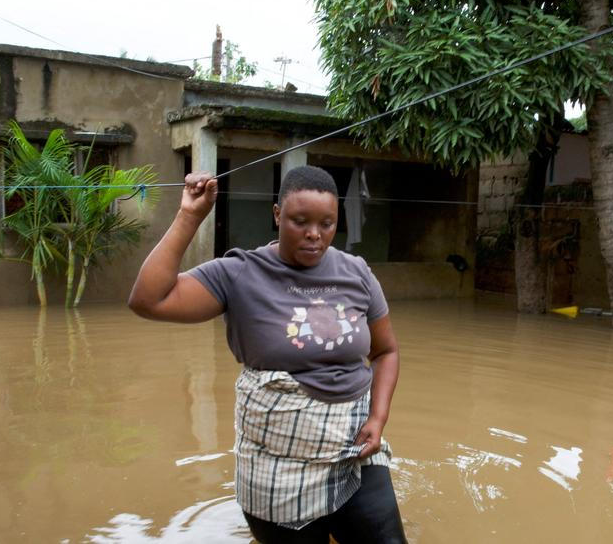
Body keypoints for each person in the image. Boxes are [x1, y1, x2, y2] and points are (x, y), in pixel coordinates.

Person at [128, 166, 406, 543]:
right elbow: (148, 300)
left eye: (327, 223)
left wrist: (379, 416)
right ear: (277, 214)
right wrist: (190, 216)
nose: (314, 234)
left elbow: (386, 351)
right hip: (275, 466)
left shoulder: (356, 272)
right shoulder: (240, 273)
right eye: (300, 221)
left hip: (354, 447)